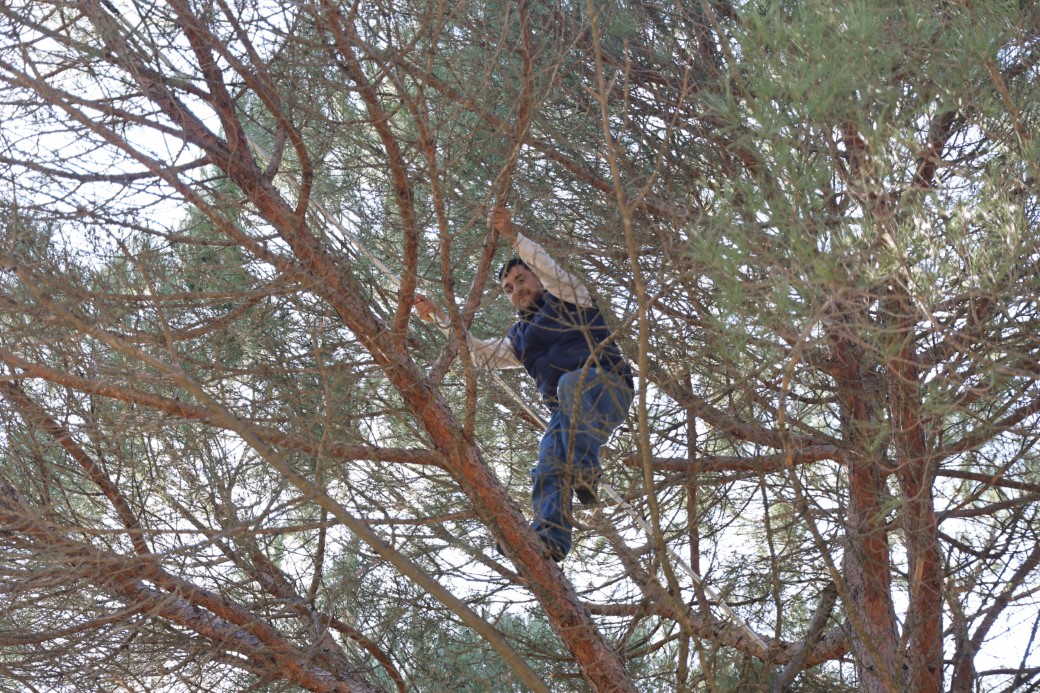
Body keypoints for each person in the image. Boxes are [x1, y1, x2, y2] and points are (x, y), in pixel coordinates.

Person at [414, 207, 634, 562]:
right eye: (508, 289)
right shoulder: (519, 337)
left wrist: (514, 237)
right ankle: (549, 538)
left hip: (607, 387)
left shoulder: (570, 296)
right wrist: (439, 318)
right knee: (548, 460)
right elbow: (481, 354)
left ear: (537, 278)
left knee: (570, 385)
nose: (517, 290)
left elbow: (549, 268)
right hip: (570, 416)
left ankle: (585, 471)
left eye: (521, 280)